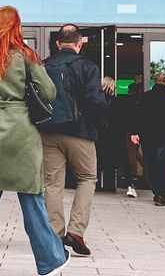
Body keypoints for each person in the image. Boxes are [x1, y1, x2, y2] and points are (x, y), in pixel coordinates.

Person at [0, 6, 69, 276]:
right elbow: (49, 92)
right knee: (33, 206)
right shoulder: (27, 56)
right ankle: (51, 260)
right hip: (23, 139)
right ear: (16, 28)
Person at [39, 24, 106, 257]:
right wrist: (100, 124)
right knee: (87, 178)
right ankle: (76, 231)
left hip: (48, 131)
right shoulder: (88, 66)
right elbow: (96, 102)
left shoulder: (43, 66)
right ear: (79, 44)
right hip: (81, 132)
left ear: (58, 44)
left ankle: (55, 234)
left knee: (52, 183)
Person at [131, 73, 165, 206]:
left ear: (154, 81)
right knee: (163, 166)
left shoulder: (144, 97)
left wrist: (136, 132)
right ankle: (161, 194)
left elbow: (137, 117)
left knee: (152, 165)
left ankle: (156, 192)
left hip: (148, 137)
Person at [119, 76, 145, 197]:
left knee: (131, 154)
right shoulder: (141, 102)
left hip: (130, 131)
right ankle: (143, 170)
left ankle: (133, 176)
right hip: (138, 131)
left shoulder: (128, 102)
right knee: (136, 153)